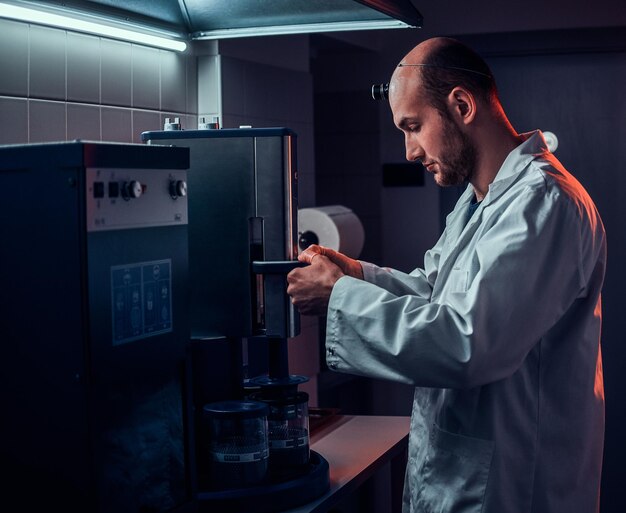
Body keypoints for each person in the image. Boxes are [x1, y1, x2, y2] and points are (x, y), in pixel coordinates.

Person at [286, 37, 606, 513]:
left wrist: (340, 297)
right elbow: (434, 293)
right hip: (471, 477)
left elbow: (467, 343)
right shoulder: (482, 199)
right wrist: (354, 273)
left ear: (460, 104)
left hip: (517, 487)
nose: (410, 151)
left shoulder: (543, 203)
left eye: (413, 126)